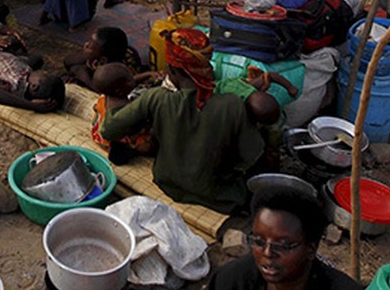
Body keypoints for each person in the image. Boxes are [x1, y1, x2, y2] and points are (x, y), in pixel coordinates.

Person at [190, 186, 389, 290]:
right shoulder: (244, 275)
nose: (267, 253)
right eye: (259, 241)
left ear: (311, 249)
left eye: (283, 245)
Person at [101, 29, 266, 211]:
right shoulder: (232, 104)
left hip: (169, 186)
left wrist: (113, 98)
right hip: (219, 196)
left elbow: (109, 130)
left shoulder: (157, 98)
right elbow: (250, 156)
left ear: (171, 70)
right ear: (205, 66)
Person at [90, 63, 156, 164]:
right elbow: (140, 125)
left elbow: (127, 82)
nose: (133, 79)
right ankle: (132, 152)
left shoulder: (105, 98)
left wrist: (147, 74)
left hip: (99, 135)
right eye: (129, 80)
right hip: (116, 141)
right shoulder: (126, 111)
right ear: (119, 91)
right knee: (150, 143)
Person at [0, 50, 64, 113]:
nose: (44, 71)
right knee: (37, 59)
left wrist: (33, 106)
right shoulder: (28, 75)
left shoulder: (14, 83)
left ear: (34, 86)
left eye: (45, 75)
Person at [64, 26, 143, 89]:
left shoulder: (114, 72)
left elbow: (101, 88)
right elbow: (67, 61)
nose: (86, 44)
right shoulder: (115, 53)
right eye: (89, 41)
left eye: (90, 47)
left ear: (103, 60)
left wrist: (84, 77)